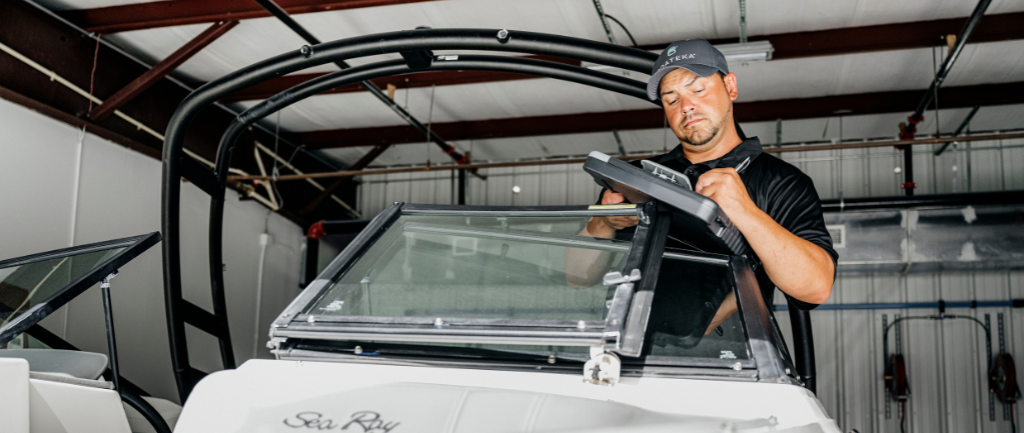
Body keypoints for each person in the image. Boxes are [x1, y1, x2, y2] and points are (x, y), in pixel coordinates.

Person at [567, 39, 837, 333]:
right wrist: (603, 224)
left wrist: (745, 212)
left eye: (698, 89)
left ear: (730, 87)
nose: (686, 106)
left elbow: (816, 288)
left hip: (727, 365)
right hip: (624, 355)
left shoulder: (780, 182)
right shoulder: (635, 179)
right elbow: (577, 278)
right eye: (671, 99)